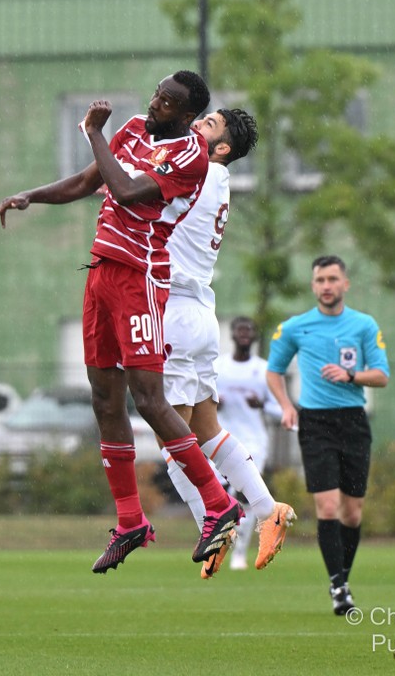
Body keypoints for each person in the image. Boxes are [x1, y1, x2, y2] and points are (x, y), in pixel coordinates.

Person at [0, 71, 243, 574]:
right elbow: (89, 181)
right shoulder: (130, 129)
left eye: (167, 101)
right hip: (102, 273)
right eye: (157, 94)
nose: (155, 103)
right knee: (105, 399)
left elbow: (125, 191)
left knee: (148, 399)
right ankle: (130, 521)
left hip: (140, 278)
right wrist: (30, 195)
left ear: (187, 115)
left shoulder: (191, 155)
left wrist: (92, 132)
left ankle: (219, 505)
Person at [155, 110, 295, 577]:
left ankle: (214, 522)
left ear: (221, 149)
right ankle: (266, 509)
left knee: (172, 440)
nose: (197, 124)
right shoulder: (216, 178)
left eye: (209, 124)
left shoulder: (198, 171)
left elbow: (141, 192)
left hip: (175, 312)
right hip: (197, 312)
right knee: (207, 432)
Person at [265, 255, 390, 615]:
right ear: (313, 285)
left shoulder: (364, 325)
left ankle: (341, 579)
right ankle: (338, 586)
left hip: (353, 422)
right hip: (316, 423)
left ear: (345, 284)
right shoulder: (295, 327)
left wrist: (351, 376)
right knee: (328, 506)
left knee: (352, 513)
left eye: (333, 279)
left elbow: (381, 375)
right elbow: (273, 371)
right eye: (320, 280)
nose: (326, 286)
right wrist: (286, 406)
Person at [212, 316, 285, 571]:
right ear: (232, 334)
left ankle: (239, 552)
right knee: (220, 497)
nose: (244, 334)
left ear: (254, 336)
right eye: (240, 330)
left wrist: (262, 404)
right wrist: (214, 402)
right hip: (221, 440)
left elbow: (281, 409)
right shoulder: (218, 366)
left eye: (249, 330)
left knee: (245, 494)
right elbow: (202, 401)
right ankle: (219, 545)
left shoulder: (264, 369)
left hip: (254, 441)